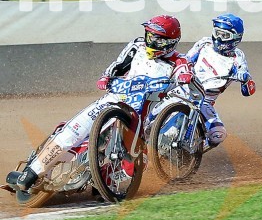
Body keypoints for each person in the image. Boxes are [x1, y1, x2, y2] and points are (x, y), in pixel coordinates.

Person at [8, 16, 193, 193]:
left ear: (171, 42)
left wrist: (185, 76)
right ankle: (31, 173)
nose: (151, 41)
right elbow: (118, 65)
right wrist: (106, 76)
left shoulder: (179, 60)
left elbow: (186, 71)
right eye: (149, 36)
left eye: (157, 39)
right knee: (74, 130)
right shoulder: (137, 45)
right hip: (114, 98)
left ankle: (103, 181)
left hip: (142, 114)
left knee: (138, 160)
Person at [162, 14, 255, 151]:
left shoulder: (238, 58)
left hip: (205, 101)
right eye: (217, 33)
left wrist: (245, 78)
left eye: (224, 35)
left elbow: (248, 91)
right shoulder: (204, 44)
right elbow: (187, 60)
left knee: (218, 135)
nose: (218, 38)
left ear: (235, 38)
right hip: (184, 90)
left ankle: (193, 153)